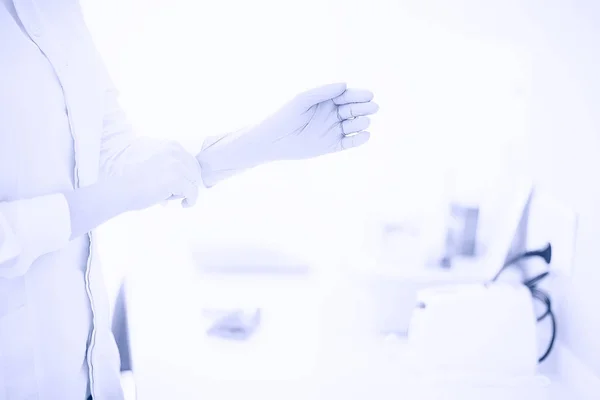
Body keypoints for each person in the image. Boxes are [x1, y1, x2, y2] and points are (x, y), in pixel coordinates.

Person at [0, 0, 379, 399]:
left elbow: (111, 154)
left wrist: (265, 141)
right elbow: (121, 185)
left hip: (96, 381)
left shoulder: (56, 10)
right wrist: (121, 195)